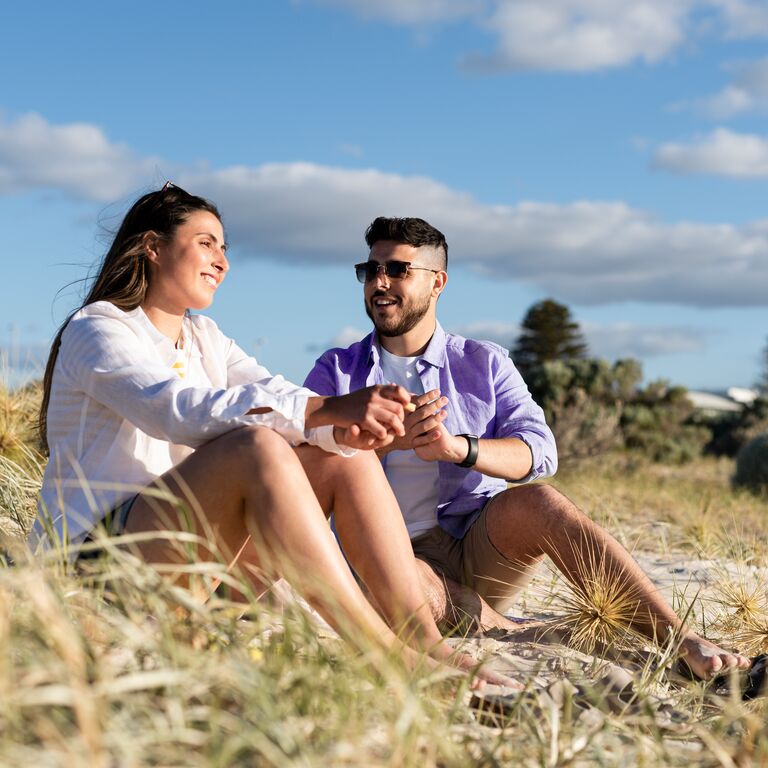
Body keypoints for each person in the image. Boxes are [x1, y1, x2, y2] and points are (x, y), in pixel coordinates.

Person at [30, 185, 511, 683]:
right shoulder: (98, 328)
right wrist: (329, 407)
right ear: (152, 246)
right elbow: (174, 411)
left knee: (343, 455)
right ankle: (383, 655)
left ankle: (422, 642)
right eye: (206, 243)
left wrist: (349, 428)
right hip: (98, 570)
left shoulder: (206, 337)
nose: (222, 261)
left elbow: (273, 394)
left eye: (225, 248)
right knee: (256, 446)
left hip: (194, 579)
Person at [304, 215, 750, 681]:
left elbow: (540, 452)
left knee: (539, 501)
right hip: (386, 554)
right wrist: (381, 443)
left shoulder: (483, 361)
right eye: (370, 270)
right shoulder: (337, 371)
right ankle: (518, 631)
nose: (379, 282)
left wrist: (458, 448)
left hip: (472, 542)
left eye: (397, 270)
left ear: (437, 282)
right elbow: (307, 467)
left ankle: (682, 638)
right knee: (406, 574)